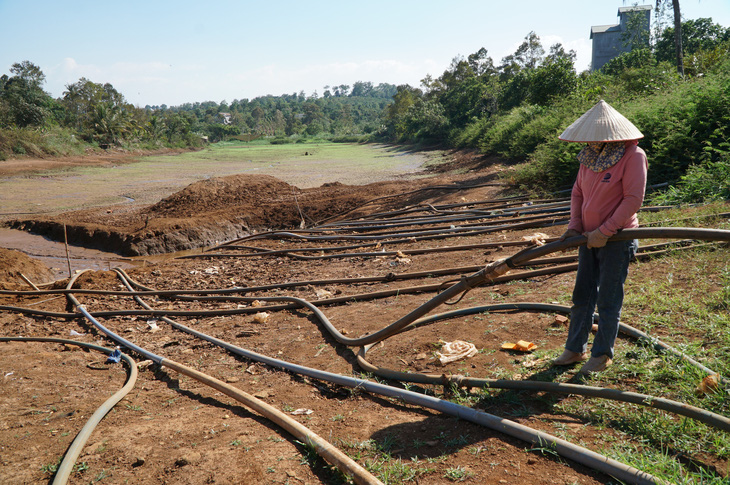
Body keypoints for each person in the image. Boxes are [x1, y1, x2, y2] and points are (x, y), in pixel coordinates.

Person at [552, 100, 648, 374]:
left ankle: (602, 353)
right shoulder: (590, 157)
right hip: (587, 238)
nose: (592, 139)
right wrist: (575, 226)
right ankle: (574, 349)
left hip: (617, 238)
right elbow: (578, 194)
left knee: (607, 297)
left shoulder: (633, 156)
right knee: (582, 294)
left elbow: (633, 199)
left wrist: (605, 231)